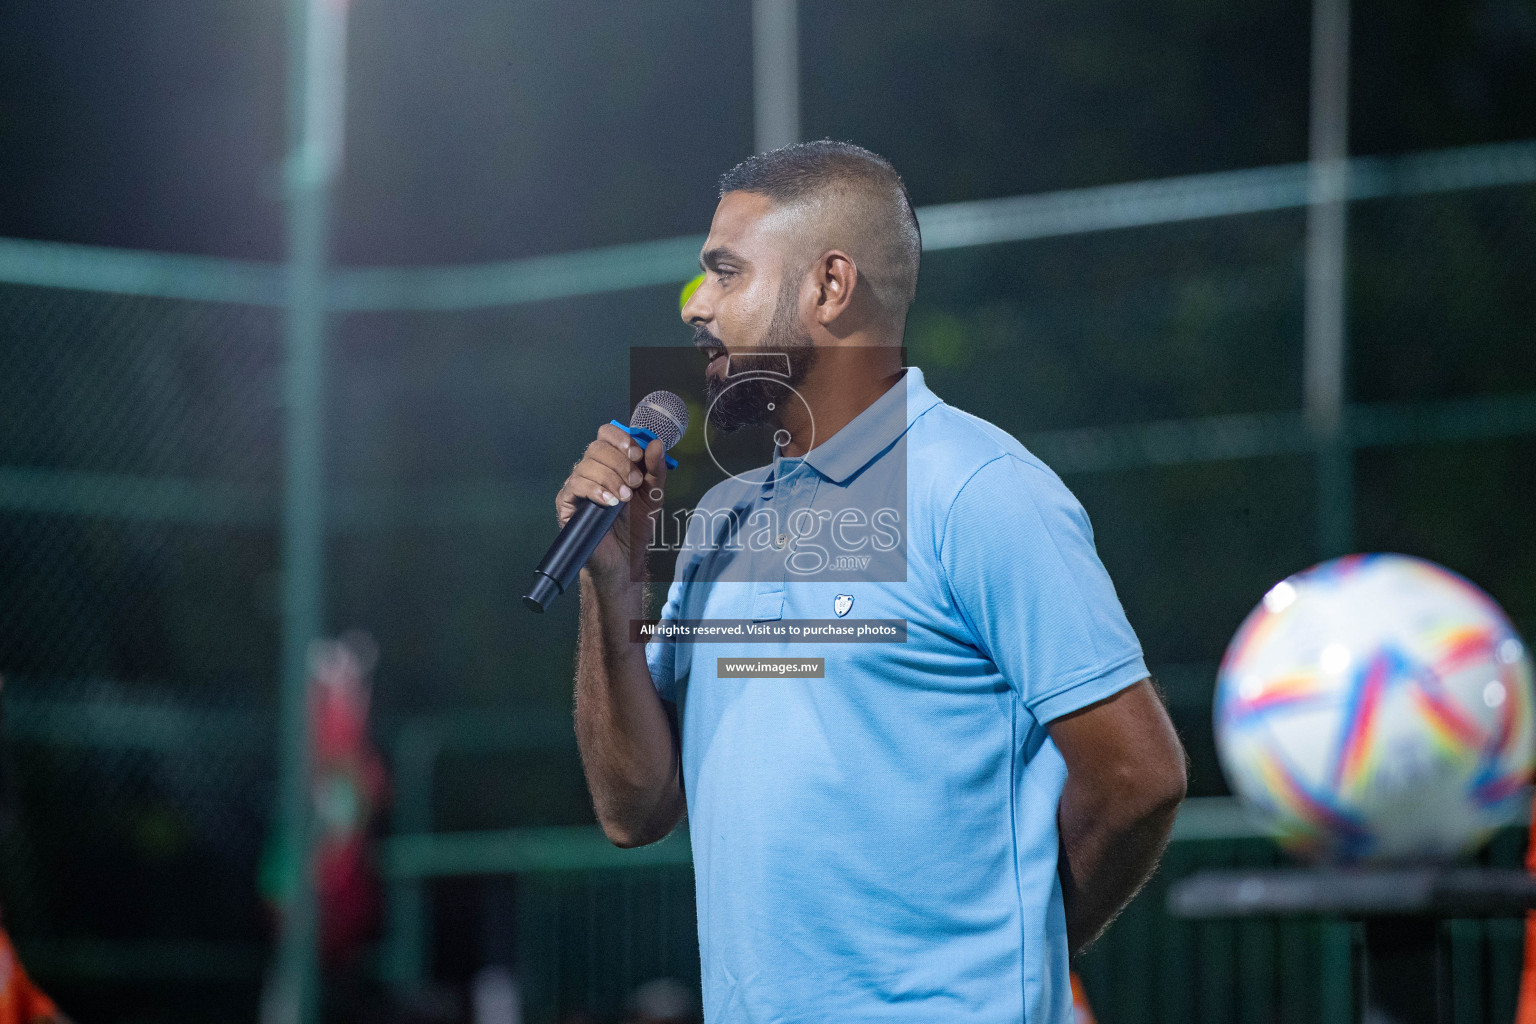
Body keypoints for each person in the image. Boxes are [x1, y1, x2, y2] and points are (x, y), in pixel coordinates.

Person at [558, 141, 1187, 1023]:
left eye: (725, 273)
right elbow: (637, 807)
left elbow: (1138, 774)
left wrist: (1013, 940)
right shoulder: (718, 524)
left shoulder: (977, 488)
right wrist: (611, 592)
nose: (696, 307)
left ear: (829, 287)